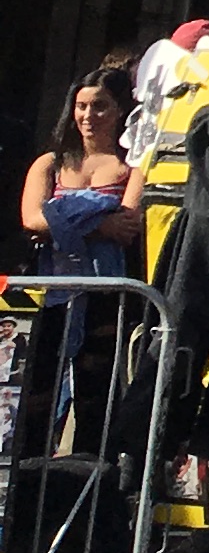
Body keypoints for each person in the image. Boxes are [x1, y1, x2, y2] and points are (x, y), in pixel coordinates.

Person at [19, 68, 142, 449]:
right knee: (38, 388)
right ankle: (29, 470)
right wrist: (98, 223)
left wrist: (63, 219)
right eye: (82, 106)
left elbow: (127, 225)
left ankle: (88, 471)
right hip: (51, 292)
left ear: (120, 110)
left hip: (106, 295)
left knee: (95, 390)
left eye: (100, 106)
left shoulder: (133, 166)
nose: (89, 116)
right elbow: (31, 219)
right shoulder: (50, 163)